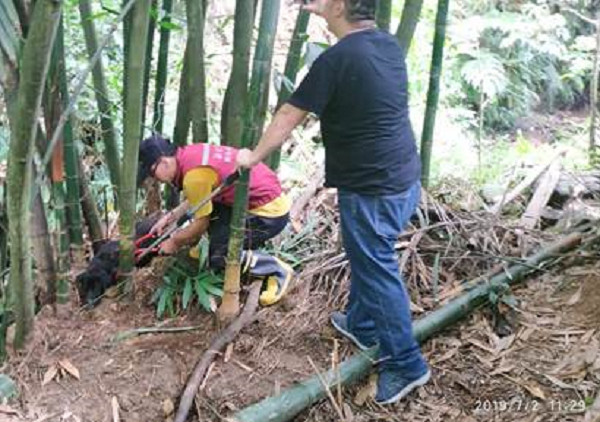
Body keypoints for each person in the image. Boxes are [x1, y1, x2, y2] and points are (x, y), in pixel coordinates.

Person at [235, 0, 430, 405]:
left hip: (372, 188)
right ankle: (361, 323)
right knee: (367, 256)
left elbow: (290, 114)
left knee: (376, 267)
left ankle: (406, 363)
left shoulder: (338, 57)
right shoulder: (387, 45)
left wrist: (252, 158)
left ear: (340, 5)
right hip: (403, 180)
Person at [137, 135, 293, 306]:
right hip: (263, 195)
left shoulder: (193, 177)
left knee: (220, 256)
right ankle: (234, 244)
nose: (154, 178)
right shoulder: (190, 154)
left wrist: (174, 242)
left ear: (164, 162)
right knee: (214, 218)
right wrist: (171, 216)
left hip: (269, 214)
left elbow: (200, 223)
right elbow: (202, 194)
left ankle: (276, 269)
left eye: (152, 172)